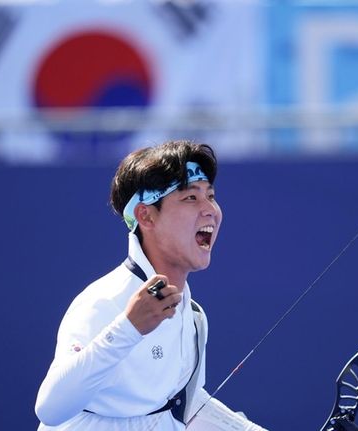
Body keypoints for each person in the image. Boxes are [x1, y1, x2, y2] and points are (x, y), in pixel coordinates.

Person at [35, 141, 266, 430]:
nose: (211, 210)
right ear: (146, 215)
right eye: (191, 198)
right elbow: (50, 408)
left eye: (211, 196)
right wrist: (128, 328)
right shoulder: (103, 302)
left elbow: (181, 407)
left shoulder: (193, 317)